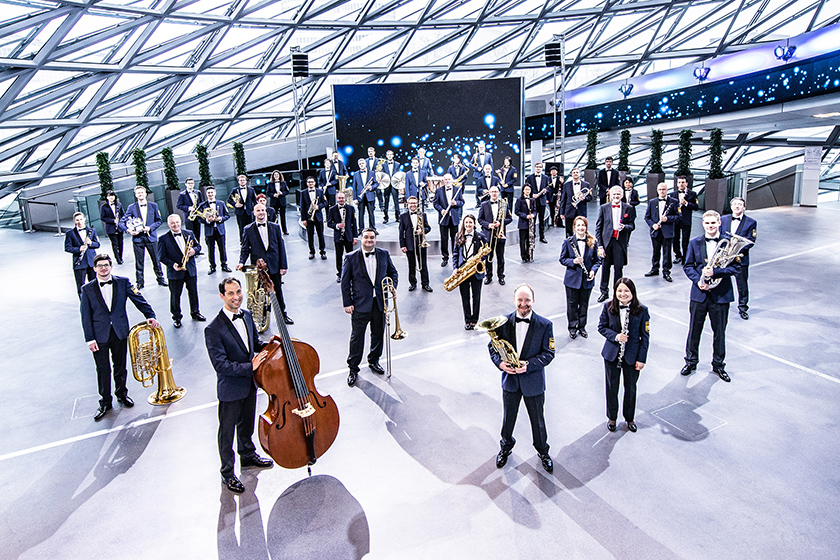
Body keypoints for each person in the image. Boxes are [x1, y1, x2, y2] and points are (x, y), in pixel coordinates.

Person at [204, 277, 274, 494]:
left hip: (249, 384)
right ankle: (227, 473)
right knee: (226, 433)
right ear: (222, 296)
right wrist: (249, 367)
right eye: (231, 293)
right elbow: (221, 365)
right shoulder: (213, 329)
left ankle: (248, 455)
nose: (236, 297)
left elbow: (255, 343)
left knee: (246, 425)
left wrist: (273, 344)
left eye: (238, 291)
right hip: (231, 388)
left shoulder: (246, 315)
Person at [80, 253, 158, 421]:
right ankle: (105, 402)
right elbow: (85, 316)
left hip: (119, 332)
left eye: (106, 265)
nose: (103, 268)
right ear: (94, 268)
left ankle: (122, 395)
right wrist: (89, 339)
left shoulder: (122, 282)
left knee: (120, 366)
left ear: (111, 266)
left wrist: (150, 315)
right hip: (99, 335)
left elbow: (139, 299)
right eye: (100, 265)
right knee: (103, 369)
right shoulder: (87, 289)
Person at [490, 284, 555, 474]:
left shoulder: (545, 325)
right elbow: (492, 348)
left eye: (527, 300)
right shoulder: (502, 323)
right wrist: (500, 364)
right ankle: (505, 446)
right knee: (508, 417)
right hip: (510, 381)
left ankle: (543, 451)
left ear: (533, 301)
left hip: (533, 382)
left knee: (538, 420)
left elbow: (549, 353)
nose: (523, 304)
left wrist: (529, 365)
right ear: (514, 300)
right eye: (520, 300)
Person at [681, 210, 741, 382]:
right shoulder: (694, 243)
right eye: (707, 223)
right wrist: (697, 281)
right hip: (699, 294)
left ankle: (718, 365)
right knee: (694, 331)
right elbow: (688, 266)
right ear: (703, 224)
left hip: (721, 295)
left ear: (719, 223)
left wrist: (716, 272)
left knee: (719, 332)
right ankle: (691, 362)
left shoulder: (729, 244)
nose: (710, 226)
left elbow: (736, 268)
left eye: (713, 223)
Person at [341, 228, 399, 387]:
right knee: (357, 337)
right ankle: (353, 368)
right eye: (366, 237)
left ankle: (374, 360)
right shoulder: (351, 257)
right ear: (361, 239)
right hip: (360, 304)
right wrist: (347, 303)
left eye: (372, 237)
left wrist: (392, 287)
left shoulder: (383, 254)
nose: (369, 240)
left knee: (378, 334)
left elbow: (393, 273)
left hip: (379, 303)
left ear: (375, 239)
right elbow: (345, 283)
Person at [597, 277, 649, 433]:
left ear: (632, 292)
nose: (622, 294)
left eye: (626, 291)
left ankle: (629, 418)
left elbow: (645, 337)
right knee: (612, 387)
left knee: (630, 387)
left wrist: (641, 359)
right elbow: (601, 327)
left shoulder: (642, 310)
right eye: (619, 290)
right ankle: (612, 417)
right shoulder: (608, 307)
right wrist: (616, 336)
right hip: (612, 354)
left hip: (631, 356)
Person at [237, 202, 294, 325]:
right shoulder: (248, 230)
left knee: (278, 292)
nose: (261, 213)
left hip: (274, 265)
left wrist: (283, 266)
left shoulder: (275, 227)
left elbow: (281, 247)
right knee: (260, 295)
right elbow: (245, 249)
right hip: (259, 268)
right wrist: (241, 262)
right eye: (258, 211)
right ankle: (261, 320)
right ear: (254, 213)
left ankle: (283, 316)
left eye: (263, 210)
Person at [157, 214, 204, 328]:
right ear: (168, 224)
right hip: (175, 272)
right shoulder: (163, 239)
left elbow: (199, 246)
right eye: (172, 223)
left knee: (193, 293)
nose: (175, 225)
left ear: (180, 221)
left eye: (177, 222)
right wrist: (172, 265)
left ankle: (195, 312)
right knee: (175, 296)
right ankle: (176, 317)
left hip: (190, 270)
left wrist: (194, 250)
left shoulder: (189, 233)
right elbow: (161, 257)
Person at [559, 216, 601, 339]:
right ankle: (572, 328)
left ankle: (582, 327)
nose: (581, 227)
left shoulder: (593, 241)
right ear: (574, 227)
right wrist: (574, 261)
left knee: (584, 304)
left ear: (586, 227)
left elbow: (598, 261)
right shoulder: (568, 242)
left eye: (583, 225)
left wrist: (593, 271)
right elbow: (562, 259)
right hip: (572, 280)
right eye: (578, 225)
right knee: (572, 305)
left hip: (587, 279)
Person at [120, 185, 166, 289]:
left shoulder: (153, 206)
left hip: (151, 237)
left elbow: (159, 221)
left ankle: (160, 279)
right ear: (135, 195)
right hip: (138, 239)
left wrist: (150, 228)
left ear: (145, 193)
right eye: (138, 193)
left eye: (142, 192)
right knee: (139, 261)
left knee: (156, 259)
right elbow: (122, 222)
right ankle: (140, 282)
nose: (140, 194)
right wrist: (128, 230)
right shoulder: (131, 207)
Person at [719, 197, 757, 320]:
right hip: (724, 259)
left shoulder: (751, 222)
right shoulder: (723, 219)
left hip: (740, 260)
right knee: (721, 282)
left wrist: (735, 252)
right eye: (734, 204)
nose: (737, 206)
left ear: (744, 207)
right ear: (731, 207)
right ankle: (721, 303)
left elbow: (751, 241)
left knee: (742, 285)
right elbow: (719, 236)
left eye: (740, 204)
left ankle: (743, 308)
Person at [596, 186, 635, 302]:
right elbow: (598, 228)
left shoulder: (628, 208)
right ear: (610, 195)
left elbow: (632, 225)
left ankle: (617, 292)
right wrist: (600, 246)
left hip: (619, 242)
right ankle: (604, 292)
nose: (616, 196)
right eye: (614, 194)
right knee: (605, 269)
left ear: (622, 195)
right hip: (607, 242)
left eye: (618, 194)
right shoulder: (604, 208)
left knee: (618, 269)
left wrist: (625, 227)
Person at [452, 214, 486, 330]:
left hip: (476, 270)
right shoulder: (458, 236)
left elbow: (487, 252)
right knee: (465, 297)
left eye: (470, 222)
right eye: (466, 222)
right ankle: (467, 320)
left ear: (474, 224)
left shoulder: (481, 237)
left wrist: (481, 259)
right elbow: (455, 254)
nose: (468, 225)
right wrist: (455, 268)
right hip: (463, 271)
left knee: (476, 297)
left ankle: (475, 320)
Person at [643, 182, 679, 282]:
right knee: (655, 251)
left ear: (667, 190)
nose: (662, 191)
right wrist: (652, 225)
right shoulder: (652, 202)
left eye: (664, 189)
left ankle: (666, 272)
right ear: (657, 190)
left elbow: (678, 217)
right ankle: (654, 269)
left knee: (667, 253)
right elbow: (647, 217)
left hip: (667, 232)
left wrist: (667, 219)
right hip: (656, 231)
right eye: (660, 189)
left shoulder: (674, 201)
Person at [477, 185, 511, 285]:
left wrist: (500, 223)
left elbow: (509, 218)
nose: (494, 193)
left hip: (500, 235)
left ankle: (501, 276)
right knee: (489, 257)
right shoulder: (484, 204)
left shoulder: (504, 204)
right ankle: (488, 276)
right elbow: (480, 219)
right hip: (488, 235)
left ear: (499, 193)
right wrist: (489, 225)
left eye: (496, 191)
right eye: (492, 192)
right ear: (489, 193)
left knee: (500, 257)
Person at [398, 196, 432, 292]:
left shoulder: (423, 214)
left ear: (417, 204)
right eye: (411, 203)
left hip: (421, 243)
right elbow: (401, 232)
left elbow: (428, 228)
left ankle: (425, 284)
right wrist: (402, 245)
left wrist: (422, 230)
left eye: (414, 203)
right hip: (409, 244)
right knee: (411, 265)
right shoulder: (403, 216)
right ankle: (412, 283)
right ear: (408, 204)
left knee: (423, 264)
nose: (413, 205)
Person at [432, 173, 465, 267]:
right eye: (445, 179)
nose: (447, 181)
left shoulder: (457, 189)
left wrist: (456, 203)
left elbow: (462, 202)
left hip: (454, 218)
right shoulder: (438, 190)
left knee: (455, 239)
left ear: (452, 180)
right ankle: (445, 257)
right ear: (443, 180)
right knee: (444, 239)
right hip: (444, 219)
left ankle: (456, 256)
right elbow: (435, 203)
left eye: (449, 179)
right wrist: (441, 210)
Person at [198, 186, 231, 274]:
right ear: (206, 194)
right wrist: (207, 221)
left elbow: (227, 215)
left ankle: (224, 265)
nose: (210, 194)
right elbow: (199, 218)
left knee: (222, 249)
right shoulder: (202, 205)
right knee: (210, 250)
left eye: (212, 192)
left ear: (215, 193)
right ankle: (212, 267)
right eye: (209, 193)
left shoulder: (221, 203)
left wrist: (220, 219)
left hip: (220, 230)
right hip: (209, 231)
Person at [65, 211, 100, 296]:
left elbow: (98, 244)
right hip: (79, 263)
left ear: (84, 219)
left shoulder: (92, 230)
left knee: (95, 285)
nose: (79, 222)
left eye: (81, 219)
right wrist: (79, 249)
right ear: (74, 221)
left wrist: (91, 243)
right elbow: (67, 248)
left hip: (91, 262)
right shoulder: (70, 233)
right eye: (77, 220)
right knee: (81, 287)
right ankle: (84, 307)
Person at [327, 190, 359, 282]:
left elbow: (354, 223)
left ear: (345, 198)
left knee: (351, 256)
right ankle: (340, 274)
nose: (341, 199)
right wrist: (337, 226)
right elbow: (329, 223)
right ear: (336, 199)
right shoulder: (332, 209)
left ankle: (352, 274)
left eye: (342, 198)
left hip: (348, 236)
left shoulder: (351, 208)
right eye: (339, 198)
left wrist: (355, 237)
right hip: (338, 237)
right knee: (339, 256)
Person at [669, 176, 699, 264]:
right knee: (675, 239)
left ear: (686, 183)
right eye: (679, 182)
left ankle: (685, 257)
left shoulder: (693, 194)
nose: (681, 184)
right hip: (676, 220)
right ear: (677, 184)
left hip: (686, 220)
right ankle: (678, 255)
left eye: (683, 182)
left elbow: (696, 207)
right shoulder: (672, 194)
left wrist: (686, 203)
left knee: (685, 240)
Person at [559, 167, 593, 238]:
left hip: (581, 210)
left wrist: (584, 198)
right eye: (574, 172)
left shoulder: (586, 185)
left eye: (577, 172)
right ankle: (569, 245)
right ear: (571, 174)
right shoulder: (566, 185)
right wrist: (562, 212)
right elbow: (563, 199)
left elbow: (590, 197)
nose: (575, 174)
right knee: (569, 231)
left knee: (582, 230)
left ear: (580, 174)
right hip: (569, 210)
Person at [300, 176, 327, 260]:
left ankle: (322, 252)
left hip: (318, 217)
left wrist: (318, 207)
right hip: (308, 217)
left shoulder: (320, 191)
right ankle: (311, 252)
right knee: (310, 235)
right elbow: (302, 206)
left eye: (312, 182)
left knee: (320, 235)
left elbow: (325, 203)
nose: (310, 183)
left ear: (315, 183)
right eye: (309, 182)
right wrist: (303, 219)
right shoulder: (303, 192)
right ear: (307, 183)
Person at [525, 161, 551, 243]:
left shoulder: (546, 178)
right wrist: (532, 194)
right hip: (533, 201)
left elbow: (549, 188)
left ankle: (542, 236)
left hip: (542, 201)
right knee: (532, 220)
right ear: (535, 168)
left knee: (541, 220)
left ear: (542, 168)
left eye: (540, 167)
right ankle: (532, 235)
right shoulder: (529, 177)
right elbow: (526, 188)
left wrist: (545, 191)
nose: (538, 168)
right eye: (537, 167)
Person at [227, 174, 257, 240]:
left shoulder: (251, 189)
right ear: (238, 181)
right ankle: (243, 242)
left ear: (246, 181)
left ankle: (251, 241)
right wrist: (235, 204)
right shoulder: (235, 190)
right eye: (240, 180)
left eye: (243, 180)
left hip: (249, 212)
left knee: (251, 227)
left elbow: (255, 201)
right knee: (241, 228)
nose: (242, 181)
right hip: (240, 212)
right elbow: (229, 200)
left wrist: (255, 210)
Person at [99, 190, 124, 265]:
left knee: (120, 243)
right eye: (109, 196)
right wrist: (113, 221)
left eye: (112, 195)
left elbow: (123, 214)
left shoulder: (119, 205)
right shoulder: (103, 207)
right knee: (115, 243)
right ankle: (118, 259)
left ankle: (120, 256)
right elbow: (103, 218)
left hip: (119, 227)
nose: (111, 197)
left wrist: (121, 221)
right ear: (107, 197)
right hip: (111, 228)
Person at [353, 158, 378, 232]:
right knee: (361, 214)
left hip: (369, 196)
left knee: (371, 213)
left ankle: (373, 228)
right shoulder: (356, 174)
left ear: (365, 164)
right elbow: (354, 187)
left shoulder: (372, 173)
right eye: (360, 164)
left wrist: (371, 187)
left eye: (362, 163)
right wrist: (355, 198)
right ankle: (361, 229)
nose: (361, 165)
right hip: (360, 196)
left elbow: (376, 183)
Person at [515, 185, 535, 263]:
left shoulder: (532, 199)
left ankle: (529, 255)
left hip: (530, 224)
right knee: (523, 241)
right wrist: (526, 216)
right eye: (526, 189)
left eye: (529, 189)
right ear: (523, 190)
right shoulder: (519, 200)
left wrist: (533, 215)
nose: (527, 191)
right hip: (523, 223)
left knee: (529, 240)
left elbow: (535, 210)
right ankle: (523, 256)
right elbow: (516, 211)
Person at [381, 150, 403, 223]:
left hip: (394, 184)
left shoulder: (397, 164)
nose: (389, 156)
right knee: (386, 201)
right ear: (386, 156)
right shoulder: (383, 164)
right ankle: (386, 217)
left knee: (396, 201)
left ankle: (398, 216)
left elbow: (398, 174)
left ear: (393, 155)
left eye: (391, 154)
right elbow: (382, 174)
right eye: (388, 154)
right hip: (386, 185)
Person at [470, 142, 493, 207]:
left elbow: (491, 165)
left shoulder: (489, 155)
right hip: (478, 174)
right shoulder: (475, 155)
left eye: (482, 147)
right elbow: (470, 164)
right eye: (480, 147)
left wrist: (491, 174)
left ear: (484, 148)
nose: (481, 148)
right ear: (478, 148)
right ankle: (478, 203)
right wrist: (477, 168)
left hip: (487, 173)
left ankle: (487, 201)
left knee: (487, 187)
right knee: (478, 189)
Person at [547, 165, 563, 229]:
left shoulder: (560, 178)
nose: (553, 172)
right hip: (550, 197)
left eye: (554, 171)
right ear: (550, 172)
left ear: (557, 172)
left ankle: (560, 223)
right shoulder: (547, 179)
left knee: (559, 210)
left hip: (558, 197)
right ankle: (552, 222)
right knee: (552, 210)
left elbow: (562, 187)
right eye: (552, 171)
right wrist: (547, 199)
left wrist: (562, 182)